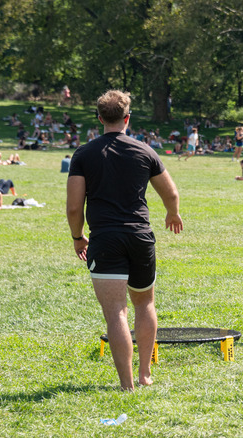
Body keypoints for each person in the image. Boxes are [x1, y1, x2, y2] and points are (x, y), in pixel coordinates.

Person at [67, 90, 183, 391]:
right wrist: (172, 214)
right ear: (127, 118)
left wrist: (78, 237)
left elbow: (73, 207)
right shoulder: (145, 151)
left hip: (105, 238)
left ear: (99, 118)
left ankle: (127, 385)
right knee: (144, 303)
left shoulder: (83, 154)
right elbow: (170, 192)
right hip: (140, 237)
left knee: (116, 311)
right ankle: (145, 374)